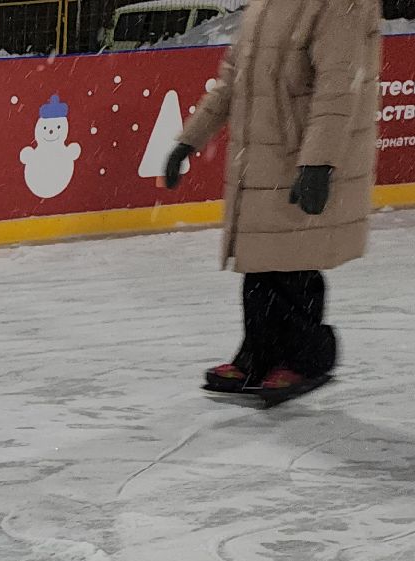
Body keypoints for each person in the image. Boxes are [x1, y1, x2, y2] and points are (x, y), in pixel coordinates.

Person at [162, 0, 382, 403]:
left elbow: (339, 85)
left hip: (299, 155)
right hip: (262, 159)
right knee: (261, 264)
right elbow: (233, 78)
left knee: (293, 265)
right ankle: (258, 355)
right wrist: (189, 140)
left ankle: (307, 358)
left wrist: (318, 163)